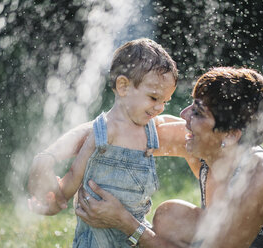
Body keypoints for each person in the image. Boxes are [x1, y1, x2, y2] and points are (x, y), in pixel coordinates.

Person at [72, 67, 263, 247]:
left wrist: (126, 223)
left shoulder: (261, 177)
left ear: (231, 134)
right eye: (192, 105)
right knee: (170, 217)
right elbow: (118, 129)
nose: (183, 114)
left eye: (199, 113)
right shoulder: (207, 144)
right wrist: (50, 157)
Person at [28, 38, 200, 247]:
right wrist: (57, 197)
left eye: (165, 101)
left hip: (133, 234)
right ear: (123, 86)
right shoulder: (104, 131)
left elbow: (183, 129)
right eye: (154, 98)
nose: (160, 108)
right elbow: (75, 172)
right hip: (96, 239)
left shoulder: (150, 131)